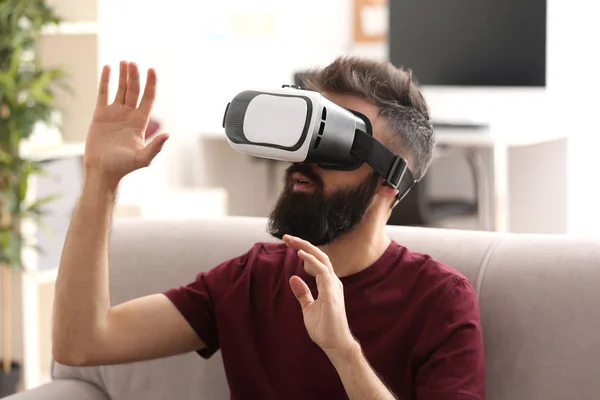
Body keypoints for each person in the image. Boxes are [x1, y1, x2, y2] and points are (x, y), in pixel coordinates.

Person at [52, 57, 486, 400]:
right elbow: (83, 344)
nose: (304, 159)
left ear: (390, 182)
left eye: (334, 141)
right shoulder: (250, 279)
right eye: (306, 131)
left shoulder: (438, 300)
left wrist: (343, 351)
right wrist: (99, 178)